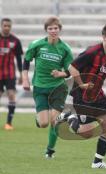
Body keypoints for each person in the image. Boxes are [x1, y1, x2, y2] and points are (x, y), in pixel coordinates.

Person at [57, 23, 106, 168]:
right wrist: (81, 84)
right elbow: (72, 68)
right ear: (104, 37)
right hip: (82, 94)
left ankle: (97, 162)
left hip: (98, 94)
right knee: (86, 133)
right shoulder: (92, 52)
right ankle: (70, 117)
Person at [22, 16, 73, 158]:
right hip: (40, 87)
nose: (53, 31)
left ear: (60, 30)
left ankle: (50, 150)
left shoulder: (65, 49)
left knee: (54, 121)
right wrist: (25, 80)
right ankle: (39, 119)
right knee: (44, 123)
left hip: (58, 88)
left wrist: (60, 74)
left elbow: (70, 71)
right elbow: (26, 61)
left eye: (56, 28)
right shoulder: (36, 44)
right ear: (46, 30)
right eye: (50, 28)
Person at [0, 18, 23, 130]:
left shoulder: (15, 41)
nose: (7, 28)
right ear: (1, 26)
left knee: (11, 95)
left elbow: (19, 59)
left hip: (10, 73)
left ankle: (9, 123)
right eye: (5, 26)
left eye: (9, 26)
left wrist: (21, 74)